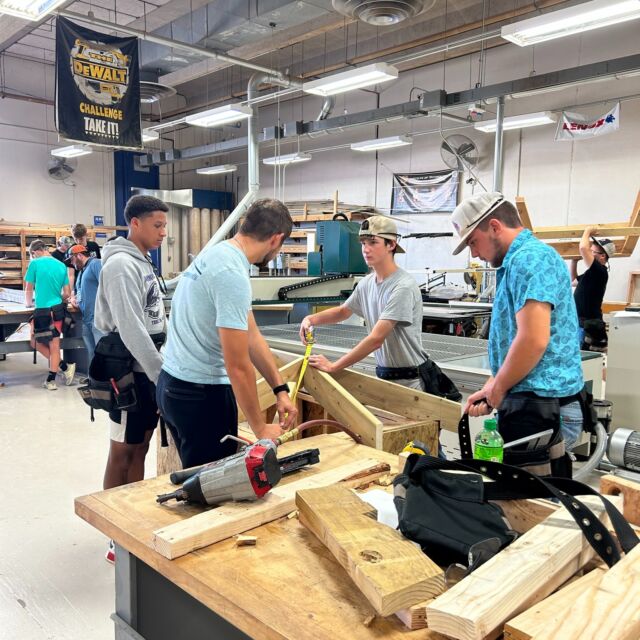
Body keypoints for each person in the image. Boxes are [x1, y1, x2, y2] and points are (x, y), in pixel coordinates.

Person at [157, 198, 298, 468]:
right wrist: (260, 428)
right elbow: (237, 365)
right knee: (213, 491)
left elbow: (251, 333)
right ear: (276, 239)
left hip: (175, 385)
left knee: (197, 478)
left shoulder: (220, 254)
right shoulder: (231, 273)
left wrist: (279, 389)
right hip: (201, 396)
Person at [450, 192, 585, 453]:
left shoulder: (530, 259)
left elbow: (533, 340)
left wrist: (499, 389)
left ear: (494, 227)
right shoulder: (516, 262)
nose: (475, 254)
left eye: (473, 242)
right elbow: (516, 335)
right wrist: (493, 384)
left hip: (542, 406)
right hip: (531, 401)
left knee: (532, 492)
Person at [299, 215, 461, 402]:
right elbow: (343, 311)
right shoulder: (366, 283)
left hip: (411, 383)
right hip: (385, 377)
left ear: (391, 245)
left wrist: (334, 366)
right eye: (363, 243)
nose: (366, 249)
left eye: (373, 243)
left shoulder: (403, 286)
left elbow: (376, 339)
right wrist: (310, 319)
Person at [94, 195, 168, 562]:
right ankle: (114, 532)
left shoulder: (143, 263)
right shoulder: (122, 265)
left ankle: (132, 519)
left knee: (140, 445)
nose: (163, 233)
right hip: (127, 372)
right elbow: (130, 328)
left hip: (147, 370)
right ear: (134, 223)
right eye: (157, 225)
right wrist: (159, 375)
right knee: (122, 450)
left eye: (164, 226)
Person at [23, 239, 76, 390]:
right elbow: (67, 293)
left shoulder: (35, 264)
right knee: (46, 344)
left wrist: (28, 304)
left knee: (39, 343)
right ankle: (65, 367)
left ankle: (51, 380)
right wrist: (57, 297)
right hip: (57, 310)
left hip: (42, 312)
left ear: (34, 252)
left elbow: (28, 288)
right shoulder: (61, 266)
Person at [570, 227, 613, 351]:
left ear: (602, 257)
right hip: (581, 323)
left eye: (592, 251)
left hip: (588, 325)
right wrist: (574, 262)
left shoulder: (600, 272)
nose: (589, 253)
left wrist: (588, 231)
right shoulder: (591, 273)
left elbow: (583, 248)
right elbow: (573, 281)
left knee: (584, 358)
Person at [65, 244, 104, 366]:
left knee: (101, 353)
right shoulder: (82, 271)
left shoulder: (96, 264)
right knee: (92, 352)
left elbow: (107, 286)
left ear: (80, 255)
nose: (72, 263)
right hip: (87, 318)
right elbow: (80, 291)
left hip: (98, 319)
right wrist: (75, 299)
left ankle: (104, 383)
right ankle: (93, 380)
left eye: (72, 259)